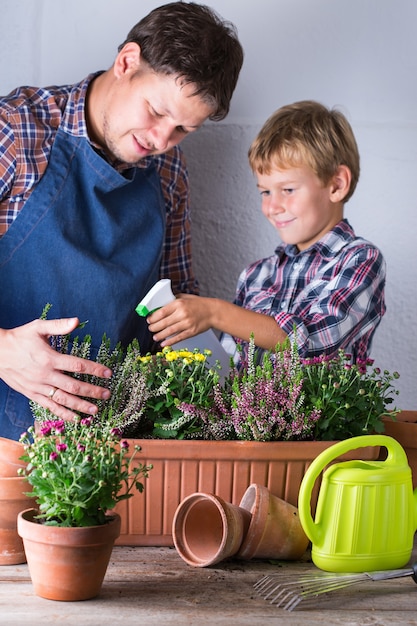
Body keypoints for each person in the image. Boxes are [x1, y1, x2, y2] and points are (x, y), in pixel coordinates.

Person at [0, 2, 244, 439]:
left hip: (111, 450)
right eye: (156, 111)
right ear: (127, 62)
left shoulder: (169, 173)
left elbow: (174, 309)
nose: (161, 140)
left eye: (183, 130)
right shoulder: (17, 133)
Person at [148, 100, 386, 366]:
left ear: (336, 185)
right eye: (265, 192)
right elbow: (229, 369)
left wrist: (214, 312)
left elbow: (315, 343)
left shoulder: (360, 259)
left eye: (288, 190)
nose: (272, 207)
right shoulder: (255, 275)